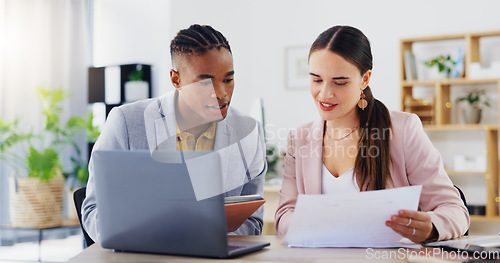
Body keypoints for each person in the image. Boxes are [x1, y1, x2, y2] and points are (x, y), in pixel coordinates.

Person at [275, 25, 469, 243]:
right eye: (316, 79)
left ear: (365, 79)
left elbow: (453, 209)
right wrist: (332, 224)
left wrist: (432, 226)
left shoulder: (403, 130)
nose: (325, 93)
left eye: (340, 82)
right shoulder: (299, 138)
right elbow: (283, 217)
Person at [82, 24, 267, 242]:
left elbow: (253, 221)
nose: (221, 93)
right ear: (176, 79)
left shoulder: (249, 134)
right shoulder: (126, 123)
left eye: (228, 79)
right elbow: (94, 210)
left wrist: (206, 242)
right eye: (205, 82)